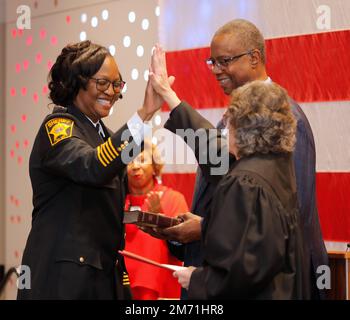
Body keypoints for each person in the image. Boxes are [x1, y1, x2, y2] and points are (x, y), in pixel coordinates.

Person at [147, 18, 328, 299]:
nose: (217, 71)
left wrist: (205, 228)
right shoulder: (236, 120)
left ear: (254, 57)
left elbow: (288, 216)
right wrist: (169, 96)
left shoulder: (288, 119)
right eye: (212, 62)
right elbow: (217, 160)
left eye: (225, 61)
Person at [17, 40, 163, 300]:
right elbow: (92, 167)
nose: (112, 92)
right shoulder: (58, 127)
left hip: (103, 279)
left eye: (117, 84)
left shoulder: (105, 136)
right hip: (62, 281)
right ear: (77, 81)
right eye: (103, 82)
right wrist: (143, 114)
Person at [173, 80, 310, 299]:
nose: (226, 131)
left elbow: (242, 271)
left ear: (244, 126)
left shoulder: (243, 182)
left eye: (230, 122)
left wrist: (196, 279)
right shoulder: (280, 168)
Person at [124, 141, 188, 300]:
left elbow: (183, 245)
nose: (135, 166)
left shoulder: (173, 199)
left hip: (160, 292)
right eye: (129, 161)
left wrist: (159, 218)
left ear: (154, 166)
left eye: (142, 160)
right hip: (120, 287)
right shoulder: (116, 201)